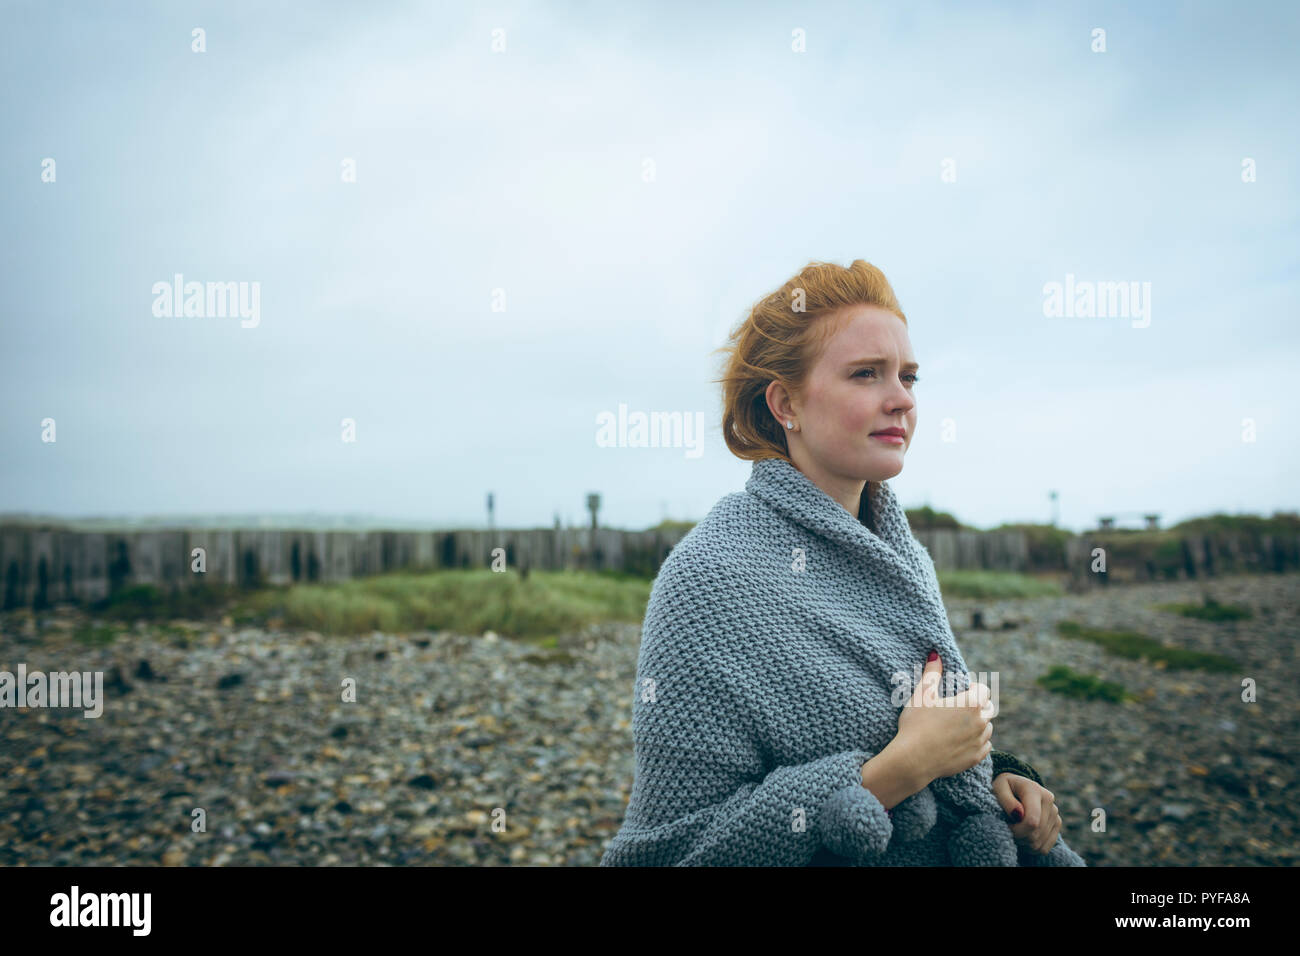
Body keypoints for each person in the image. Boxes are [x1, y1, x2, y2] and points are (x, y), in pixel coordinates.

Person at [600, 259, 1083, 866]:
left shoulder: (903, 555)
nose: (901, 399)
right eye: (866, 374)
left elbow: (924, 733)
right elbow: (675, 854)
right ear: (786, 403)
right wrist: (896, 773)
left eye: (908, 377)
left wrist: (1002, 782)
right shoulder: (709, 580)